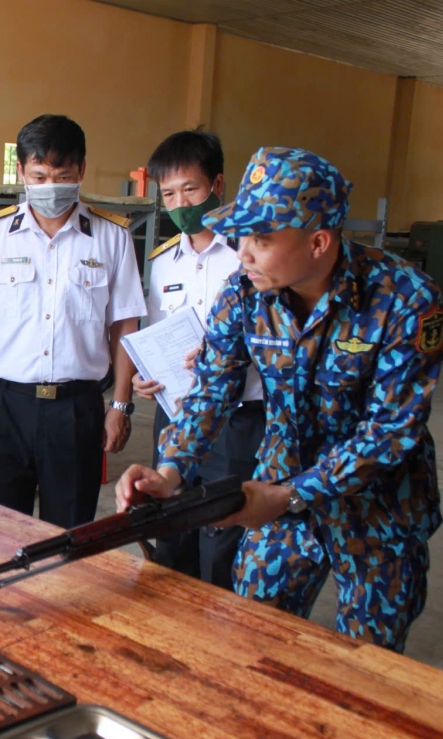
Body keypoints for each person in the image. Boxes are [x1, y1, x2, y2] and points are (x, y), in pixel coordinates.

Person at [115, 147, 443, 652]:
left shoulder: (405, 298)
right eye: (241, 235)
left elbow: (390, 432)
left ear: (318, 241)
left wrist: (289, 494)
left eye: (261, 239)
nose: (243, 252)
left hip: (380, 510)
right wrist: (171, 470)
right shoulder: (245, 293)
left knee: (369, 663)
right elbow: (211, 389)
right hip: (280, 499)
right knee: (252, 639)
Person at [0, 114, 146, 528]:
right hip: (3, 406)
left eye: (63, 175)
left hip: (75, 411)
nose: (50, 186)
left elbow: (124, 325)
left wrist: (120, 405)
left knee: (71, 535)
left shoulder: (112, 238)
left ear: (82, 171)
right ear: (20, 171)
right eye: (38, 175)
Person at [134, 130, 264, 590]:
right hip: (175, 414)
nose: (179, 202)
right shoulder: (164, 262)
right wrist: (142, 377)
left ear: (218, 185)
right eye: (168, 193)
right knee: (171, 528)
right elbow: (152, 333)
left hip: (238, 420)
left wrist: (222, 356)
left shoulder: (249, 256)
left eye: (190, 189)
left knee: (224, 534)